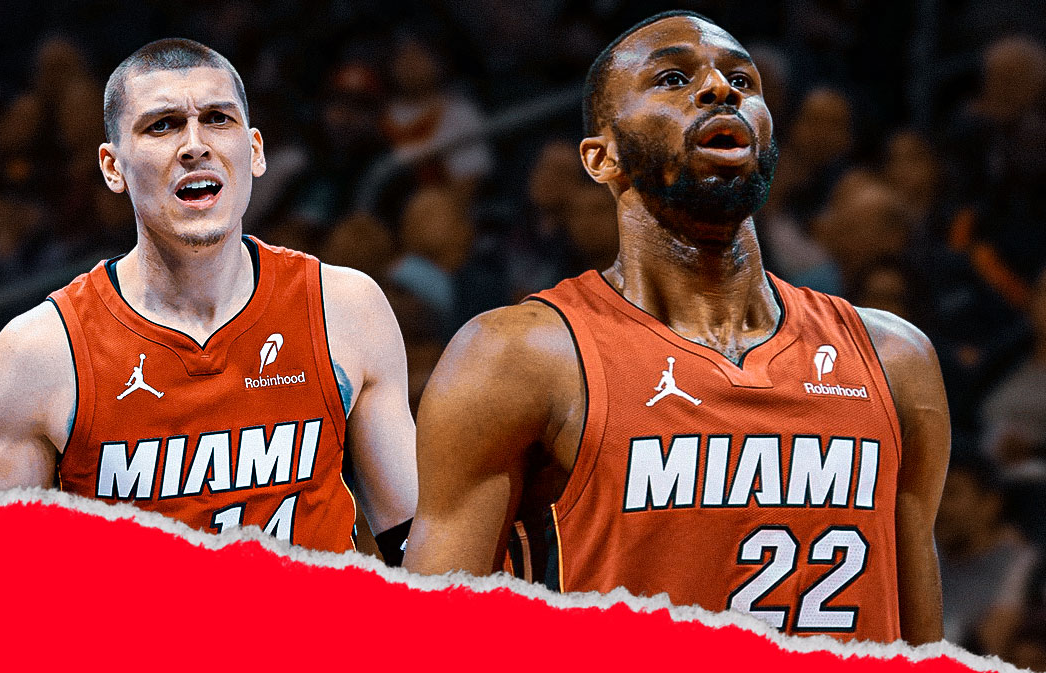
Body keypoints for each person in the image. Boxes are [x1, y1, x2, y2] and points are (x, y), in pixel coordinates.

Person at [403, 10, 949, 644]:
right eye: (671, 78)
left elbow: (923, 646)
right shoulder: (520, 357)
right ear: (602, 158)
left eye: (743, 81)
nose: (721, 89)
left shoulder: (895, 359)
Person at [0, 39, 417, 564]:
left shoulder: (344, 309)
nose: (194, 145)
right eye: (162, 125)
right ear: (112, 168)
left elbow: (414, 544)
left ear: (254, 151)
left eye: (217, 119)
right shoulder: (41, 353)